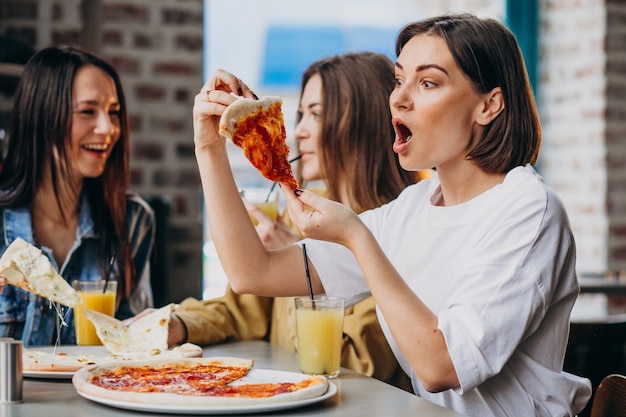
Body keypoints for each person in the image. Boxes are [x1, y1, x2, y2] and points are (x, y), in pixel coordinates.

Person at [192, 13, 593, 417]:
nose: (398, 98)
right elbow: (252, 272)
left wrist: (355, 236)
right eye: (400, 79)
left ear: (488, 105)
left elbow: (442, 365)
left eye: (428, 82)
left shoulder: (528, 208)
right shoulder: (413, 207)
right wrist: (209, 148)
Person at [164, 52, 419, 390]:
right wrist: (179, 322)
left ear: (364, 124)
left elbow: (352, 366)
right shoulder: (297, 215)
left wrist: (305, 266)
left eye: (315, 114)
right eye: (302, 114)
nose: (299, 131)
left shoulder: (395, 229)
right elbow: (242, 306)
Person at [0, 46, 155, 347]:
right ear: (42, 117)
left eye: (114, 113)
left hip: (97, 394)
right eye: (87, 111)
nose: (108, 128)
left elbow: (133, 344)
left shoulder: (133, 220)